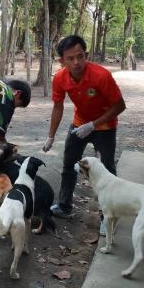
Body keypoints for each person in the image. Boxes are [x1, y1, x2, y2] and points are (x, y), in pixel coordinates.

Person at [42, 35, 126, 229]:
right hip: (79, 125)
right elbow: (58, 107)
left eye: (80, 56)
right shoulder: (60, 78)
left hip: (105, 126)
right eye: (70, 58)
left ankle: (108, 218)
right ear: (62, 61)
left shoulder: (101, 76)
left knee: (107, 170)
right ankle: (64, 206)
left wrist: (94, 125)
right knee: (69, 164)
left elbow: (120, 105)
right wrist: (50, 136)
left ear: (86, 54)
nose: (77, 62)